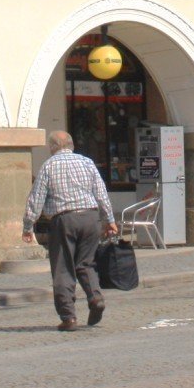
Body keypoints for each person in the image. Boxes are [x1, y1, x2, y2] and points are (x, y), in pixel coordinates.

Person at [22, 131, 117, 332]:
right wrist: (109, 220)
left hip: (64, 219)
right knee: (86, 263)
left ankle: (69, 317)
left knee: (63, 268)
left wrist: (28, 226)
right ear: (72, 145)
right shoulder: (87, 162)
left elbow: (36, 198)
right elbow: (101, 193)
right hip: (90, 217)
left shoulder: (49, 165)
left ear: (52, 147)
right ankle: (95, 297)